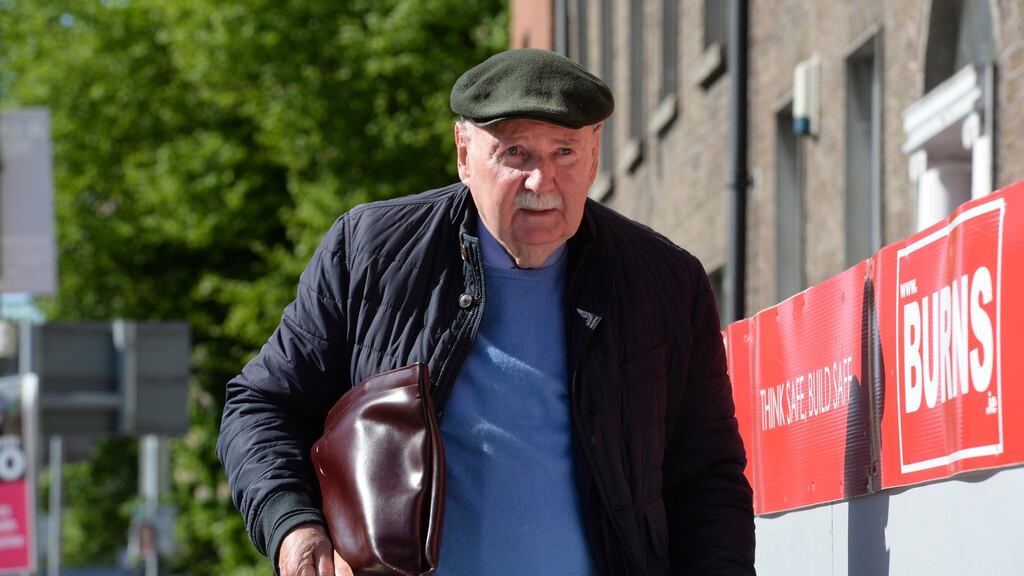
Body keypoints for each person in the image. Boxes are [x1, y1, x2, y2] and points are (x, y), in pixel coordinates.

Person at [218, 48, 755, 576]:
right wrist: (292, 526)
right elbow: (261, 405)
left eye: (564, 152)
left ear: (595, 154)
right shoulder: (369, 253)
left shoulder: (665, 282)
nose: (541, 182)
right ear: (464, 152)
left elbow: (706, 476)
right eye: (516, 153)